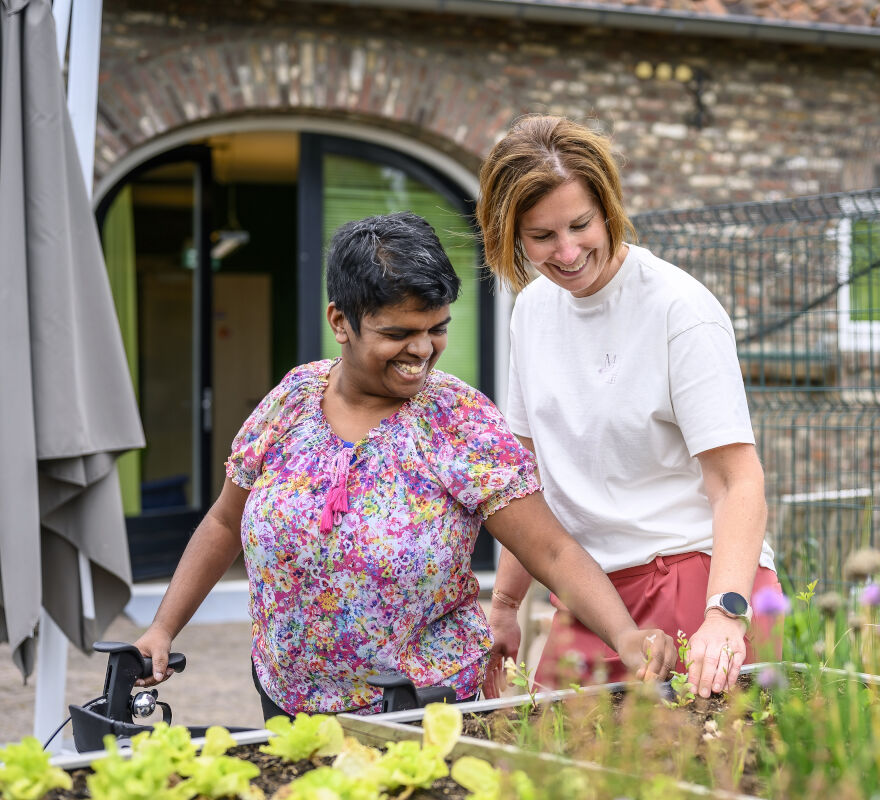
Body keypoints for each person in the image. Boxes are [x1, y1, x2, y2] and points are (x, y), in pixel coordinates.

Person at [132, 211, 674, 720]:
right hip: (288, 700)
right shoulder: (292, 400)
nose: (422, 349)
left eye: (436, 328)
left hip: (422, 709)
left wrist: (625, 636)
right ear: (340, 322)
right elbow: (226, 521)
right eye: (397, 334)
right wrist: (162, 628)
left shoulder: (458, 421)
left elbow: (551, 549)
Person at [476, 115, 780, 701]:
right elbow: (526, 479)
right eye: (541, 237)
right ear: (510, 235)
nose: (566, 252)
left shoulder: (678, 311)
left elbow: (736, 481)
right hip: (592, 596)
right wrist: (507, 603)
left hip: (696, 579)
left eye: (580, 225)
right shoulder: (533, 310)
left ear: (608, 207)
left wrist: (725, 615)